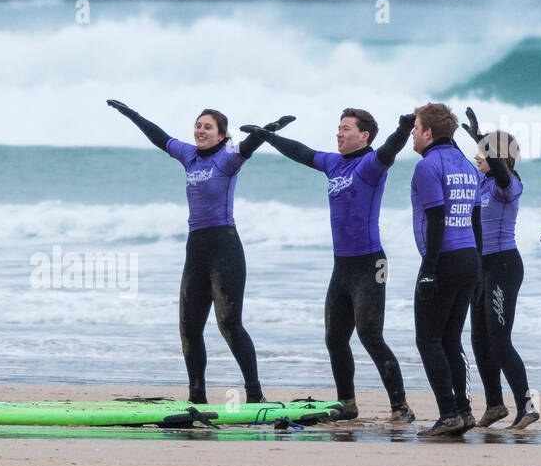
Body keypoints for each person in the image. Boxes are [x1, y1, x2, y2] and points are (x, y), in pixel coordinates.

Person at [106, 100, 292, 404]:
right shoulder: (188, 155)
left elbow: (248, 147)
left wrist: (267, 131)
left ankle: (256, 396)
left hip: (225, 247)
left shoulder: (227, 158)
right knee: (189, 327)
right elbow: (158, 136)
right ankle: (197, 397)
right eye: (198, 125)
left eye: (208, 127)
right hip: (196, 250)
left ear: (221, 136)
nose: (200, 130)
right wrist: (131, 114)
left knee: (229, 324)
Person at [240, 109, 416, 424]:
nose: (338, 133)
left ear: (363, 136)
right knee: (335, 338)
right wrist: (267, 136)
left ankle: (401, 406)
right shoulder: (332, 163)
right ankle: (347, 403)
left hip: (371, 262)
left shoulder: (371, 165)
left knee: (370, 335)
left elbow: (391, 149)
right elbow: (301, 152)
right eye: (338, 128)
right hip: (342, 266)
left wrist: (403, 129)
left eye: (345, 129)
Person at [458, 109, 538, 429]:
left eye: (483, 152)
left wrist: (482, 141)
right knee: (479, 339)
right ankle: (494, 406)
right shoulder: (481, 181)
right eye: (478, 151)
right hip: (480, 268)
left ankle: (527, 406)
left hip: (504, 266)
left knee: (500, 340)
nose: (477, 156)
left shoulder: (510, 185)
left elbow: (502, 175)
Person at [408, 103, 481, 436]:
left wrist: (428, 269)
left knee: (429, 339)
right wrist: (478, 263)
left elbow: (437, 219)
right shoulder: (466, 164)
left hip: (444, 259)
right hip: (469, 258)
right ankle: (463, 412)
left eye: (416, 127)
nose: (412, 133)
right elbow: (475, 220)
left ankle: (449, 413)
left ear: (428, 133)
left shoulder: (428, 166)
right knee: (451, 338)